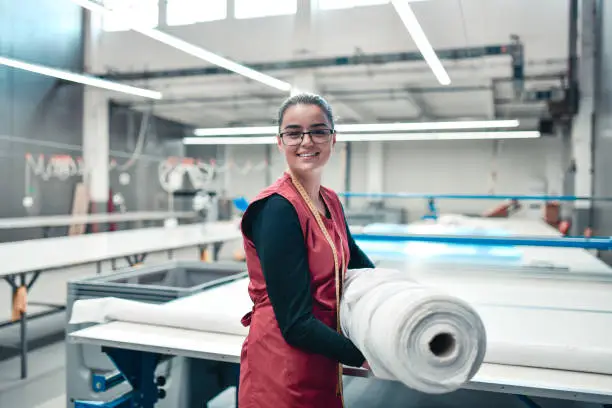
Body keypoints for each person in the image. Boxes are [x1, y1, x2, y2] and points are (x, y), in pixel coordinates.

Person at [238, 93, 375, 408]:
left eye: (318, 130)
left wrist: (400, 300)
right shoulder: (277, 208)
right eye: (294, 132)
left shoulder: (330, 200)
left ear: (332, 138)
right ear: (280, 141)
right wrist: (367, 355)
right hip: (283, 365)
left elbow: (356, 262)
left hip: (322, 353)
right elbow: (295, 322)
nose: (306, 141)